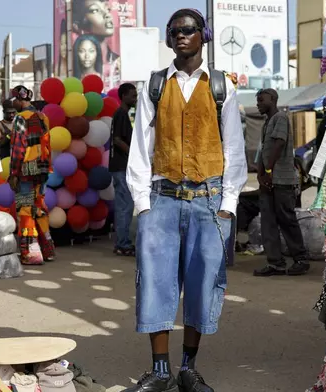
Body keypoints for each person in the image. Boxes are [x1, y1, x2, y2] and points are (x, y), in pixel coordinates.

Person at [125, 9, 247, 392]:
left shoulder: (221, 86)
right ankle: (160, 371)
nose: (182, 35)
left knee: (201, 283)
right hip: (161, 199)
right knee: (155, 284)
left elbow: (234, 149)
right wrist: (142, 205)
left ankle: (188, 369)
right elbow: (141, 149)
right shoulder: (155, 85)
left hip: (208, 201)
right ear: (168, 39)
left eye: (189, 30)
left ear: (203, 36)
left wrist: (229, 204)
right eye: (175, 30)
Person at [253, 88, 309, 277]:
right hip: (268, 181)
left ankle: (300, 260)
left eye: (261, 100)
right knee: (268, 222)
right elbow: (263, 151)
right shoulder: (266, 123)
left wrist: (268, 170)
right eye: (257, 101)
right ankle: (275, 263)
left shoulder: (280, 118)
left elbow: (278, 144)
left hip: (282, 180)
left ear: (273, 100)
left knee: (287, 220)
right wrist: (261, 174)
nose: (258, 103)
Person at [8, 85, 56, 265]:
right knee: (40, 208)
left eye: (14, 99)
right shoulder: (43, 117)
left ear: (20, 100)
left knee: (25, 210)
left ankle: (31, 253)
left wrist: (13, 173)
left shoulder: (21, 118)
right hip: (43, 169)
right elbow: (47, 144)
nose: (13, 103)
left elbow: (18, 148)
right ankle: (48, 249)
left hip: (26, 170)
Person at [109, 83, 137, 257]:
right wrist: (133, 154)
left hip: (120, 166)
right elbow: (118, 140)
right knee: (125, 206)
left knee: (124, 205)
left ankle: (122, 241)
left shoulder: (123, 115)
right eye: (133, 96)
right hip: (121, 166)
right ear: (124, 95)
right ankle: (122, 243)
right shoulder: (121, 114)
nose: (135, 99)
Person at [72, 0, 120, 86]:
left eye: (108, 9)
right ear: (78, 24)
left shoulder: (117, 62)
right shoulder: (74, 74)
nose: (107, 15)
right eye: (95, 10)